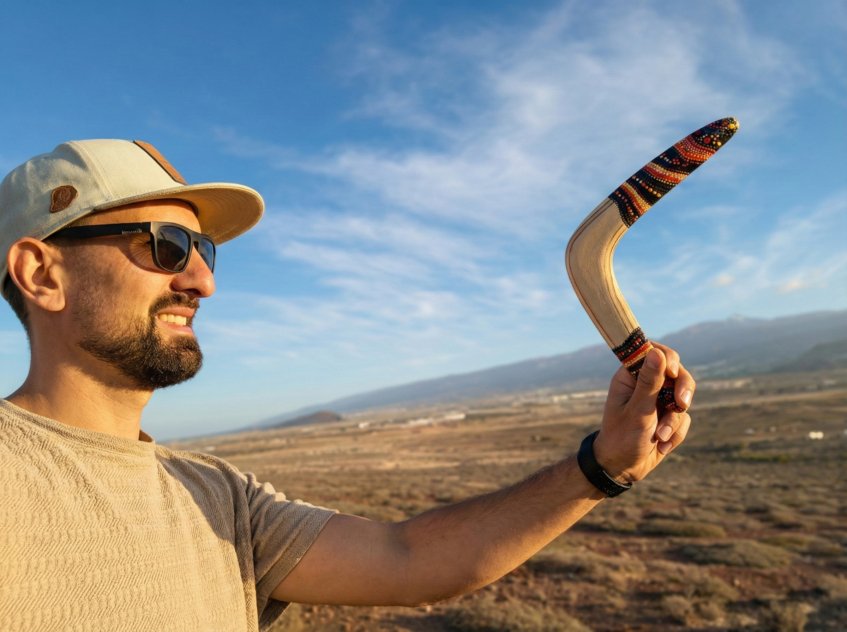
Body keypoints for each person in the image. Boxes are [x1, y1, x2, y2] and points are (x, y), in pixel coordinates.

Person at [0, 139, 694, 631]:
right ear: (41, 274)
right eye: (165, 246)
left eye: (202, 251)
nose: (202, 281)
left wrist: (602, 467)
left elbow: (406, 558)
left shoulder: (217, 496)